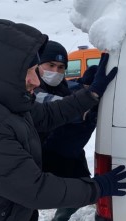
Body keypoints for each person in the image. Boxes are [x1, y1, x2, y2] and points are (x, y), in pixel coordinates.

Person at [0, 19, 126, 221]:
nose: (35, 80)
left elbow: (46, 115)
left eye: (35, 70)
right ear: (3, 71)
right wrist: (98, 187)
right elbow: (36, 190)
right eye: (29, 72)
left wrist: (90, 95)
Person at [33, 40, 99, 221]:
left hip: (66, 154)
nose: (55, 72)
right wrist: (88, 101)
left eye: (61, 67)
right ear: (38, 64)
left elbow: (70, 88)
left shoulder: (61, 85)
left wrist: (85, 85)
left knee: (80, 190)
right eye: (51, 65)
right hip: (39, 156)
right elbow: (59, 106)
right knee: (31, 200)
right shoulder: (32, 89)